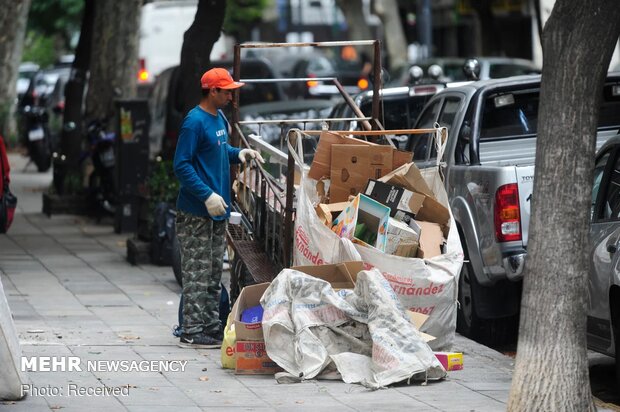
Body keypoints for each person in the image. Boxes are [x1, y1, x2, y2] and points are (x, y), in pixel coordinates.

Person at [173, 68, 264, 348]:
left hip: (217, 210)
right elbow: (182, 165)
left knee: (213, 272)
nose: (230, 96)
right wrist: (206, 195)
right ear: (212, 91)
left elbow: (218, 150)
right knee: (196, 273)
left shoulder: (219, 118)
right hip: (197, 212)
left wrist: (239, 154)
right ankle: (191, 328)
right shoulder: (194, 122)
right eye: (226, 91)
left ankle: (210, 326)